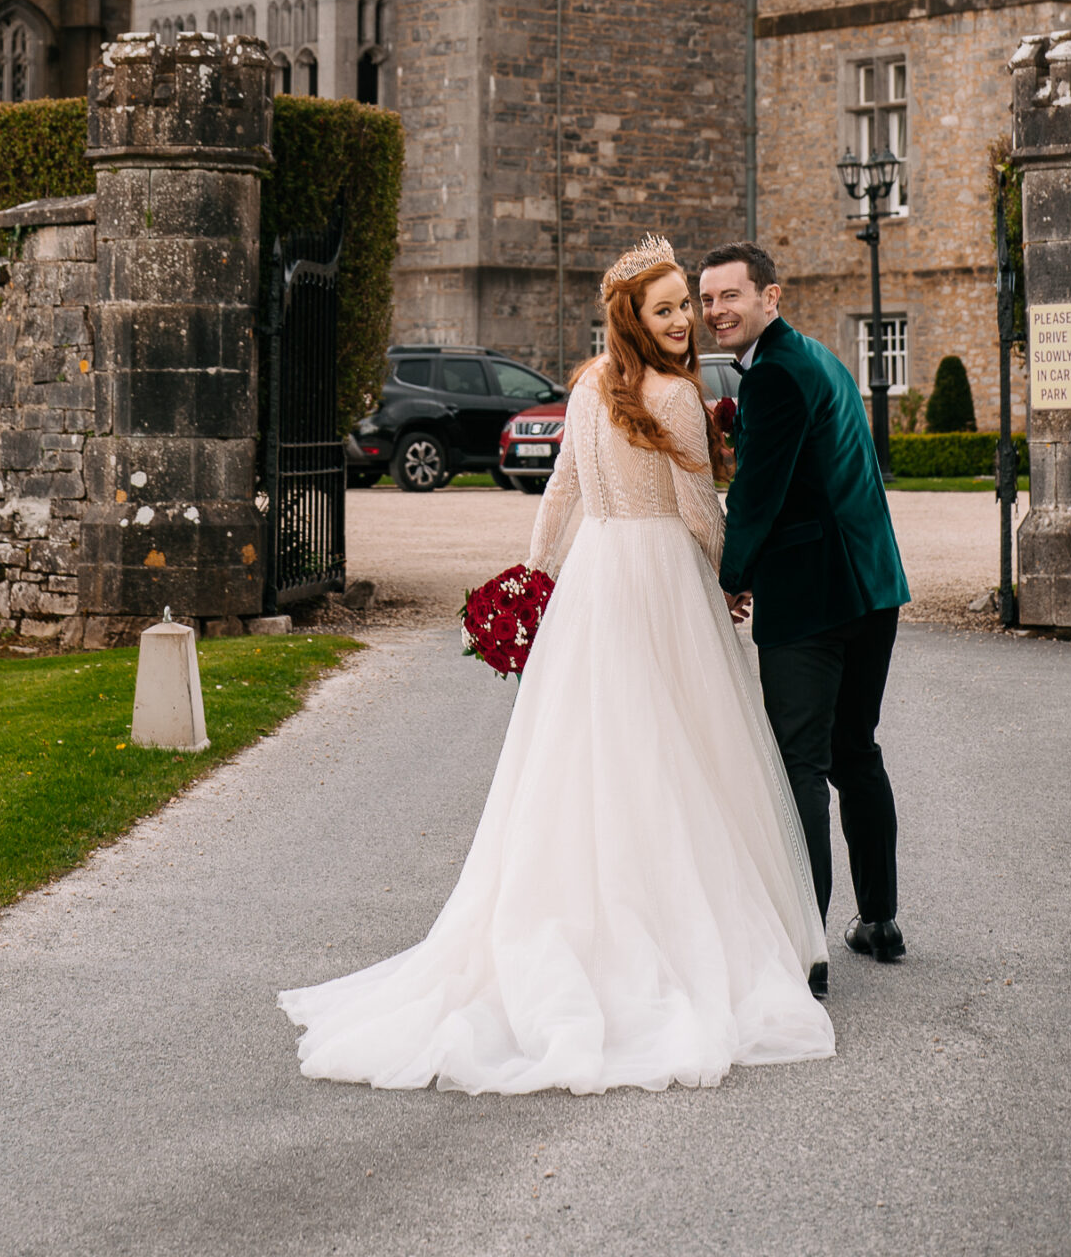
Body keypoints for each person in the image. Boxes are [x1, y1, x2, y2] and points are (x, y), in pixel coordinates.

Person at [280, 236, 835, 1094]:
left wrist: (534, 581)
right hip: (660, 582)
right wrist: (735, 582)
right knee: (679, 750)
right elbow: (696, 513)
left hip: (595, 582)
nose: (686, 320)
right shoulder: (677, 399)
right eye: (667, 309)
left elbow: (562, 495)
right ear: (634, 320)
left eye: (686, 305)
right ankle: (674, 926)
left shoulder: (586, 391)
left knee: (586, 753)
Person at [699, 241, 911, 971]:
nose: (714, 310)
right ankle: (879, 922)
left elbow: (757, 495)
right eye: (706, 300)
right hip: (870, 587)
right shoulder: (813, 356)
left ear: (770, 297)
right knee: (856, 753)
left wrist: (727, 577)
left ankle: (803, 950)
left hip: (813, 597)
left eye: (729, 296)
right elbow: (807, 464)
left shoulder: (777, 375)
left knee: (799, 764)